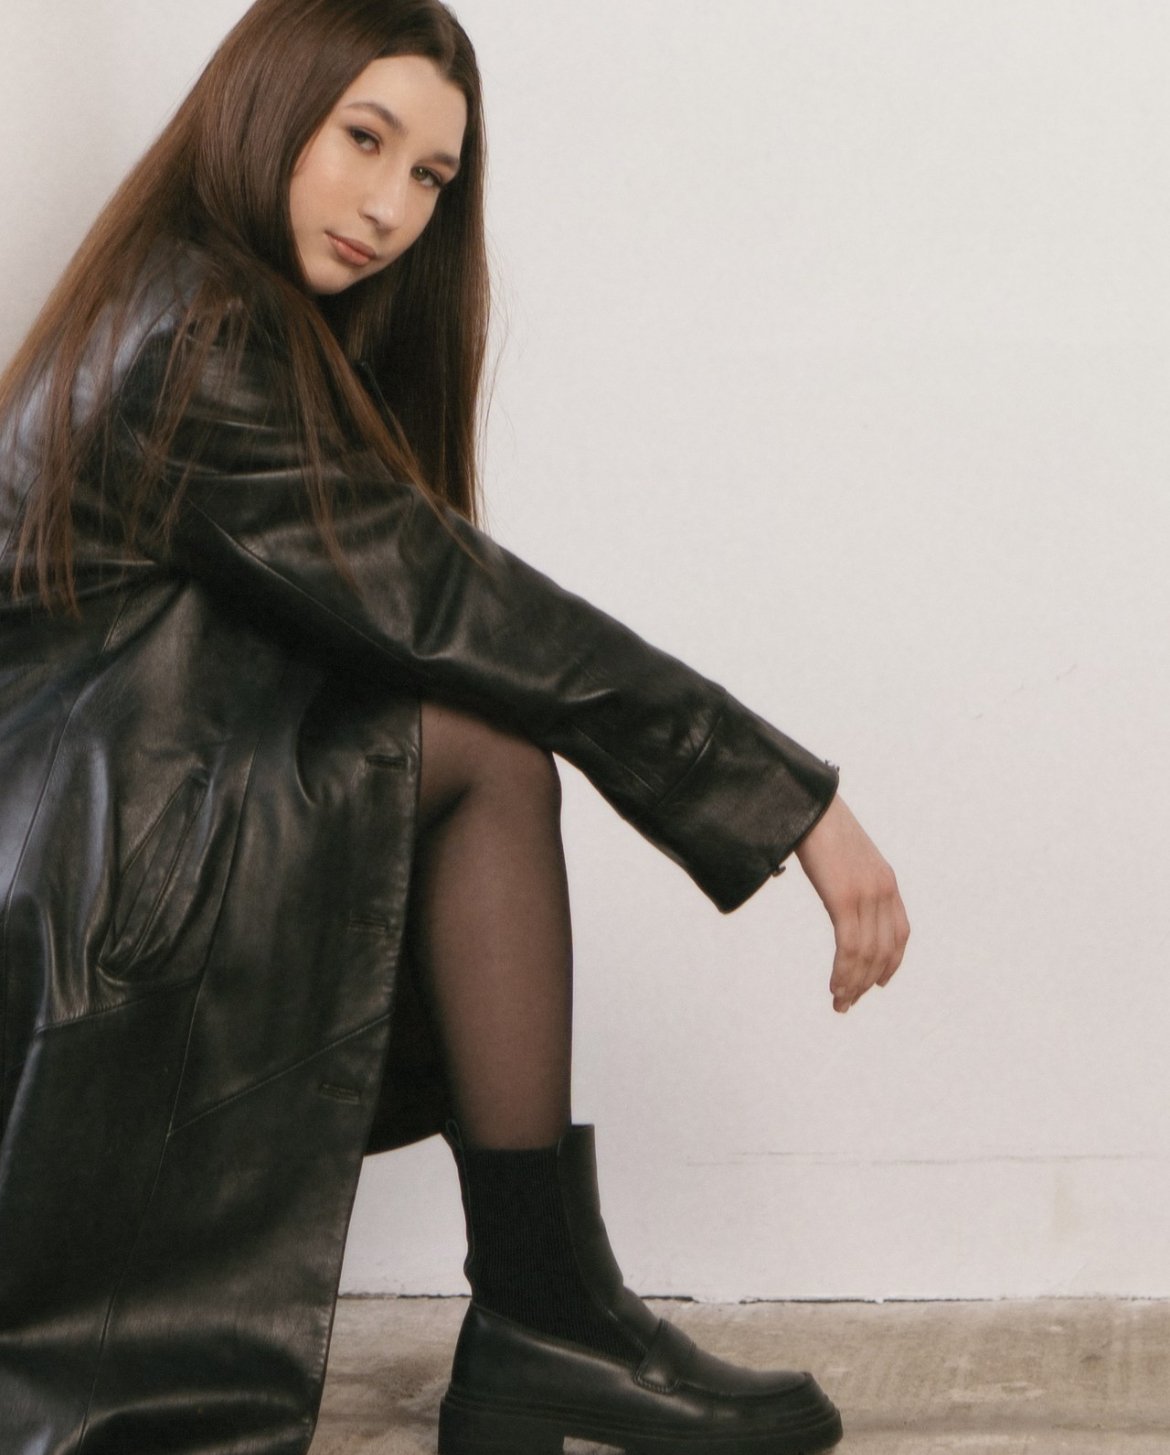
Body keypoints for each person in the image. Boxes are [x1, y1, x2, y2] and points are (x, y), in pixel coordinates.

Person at [0, 1, 909, 1452]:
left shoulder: (196, 301)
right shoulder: (192, 342)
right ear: (265, 109)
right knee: (484, 749)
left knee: (469, 739)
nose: (390, 207)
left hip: (84, 857)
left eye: (429, 176)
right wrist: (785, 798)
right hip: (64, 908)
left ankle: (544, 1311)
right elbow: (446, 599)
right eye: (363, 139)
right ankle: (544, 1311)